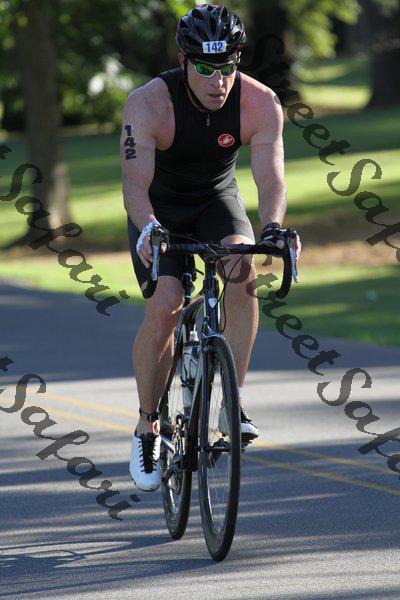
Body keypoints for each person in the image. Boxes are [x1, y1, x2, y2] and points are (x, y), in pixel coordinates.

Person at [121, 3, 301, 492]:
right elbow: (134, 184)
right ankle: (147, 426)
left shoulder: (260, 103)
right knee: (165, 304)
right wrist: (148, 228)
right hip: (157, 209)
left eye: (227, 66)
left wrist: (274, 228)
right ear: (183, 62)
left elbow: (271, 179)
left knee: (242, 271)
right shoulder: (148, 104)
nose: (218, 80)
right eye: (205, 67)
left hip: (216, 200)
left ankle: (231, 401)